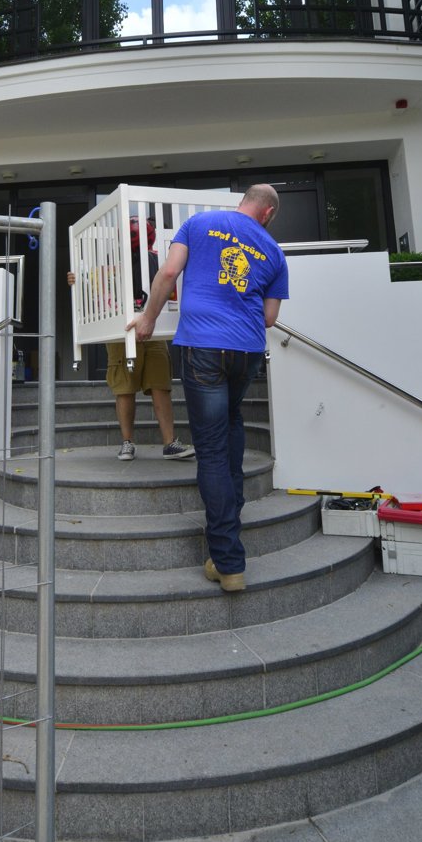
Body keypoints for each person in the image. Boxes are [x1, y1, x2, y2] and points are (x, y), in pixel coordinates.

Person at [130, 185, 288, 591]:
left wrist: (148, 318)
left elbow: (168, 273)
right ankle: (230, 524)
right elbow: (269, 317)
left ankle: (228, 561)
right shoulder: (274, 251)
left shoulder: (199, 223)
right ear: (267, 213)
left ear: (244, 202)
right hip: (246, 349)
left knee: (213, 450)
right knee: (231, 423)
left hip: (203, 346)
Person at [68, 217, 194, 462]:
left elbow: (171, 284)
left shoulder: (158, 260)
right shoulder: (110, 265)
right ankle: (127, 442)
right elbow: (92, 288)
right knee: (125, 388)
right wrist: (77, 280)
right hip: (122, 330)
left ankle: (170, 443)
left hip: (153, 327)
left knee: (160, 384)